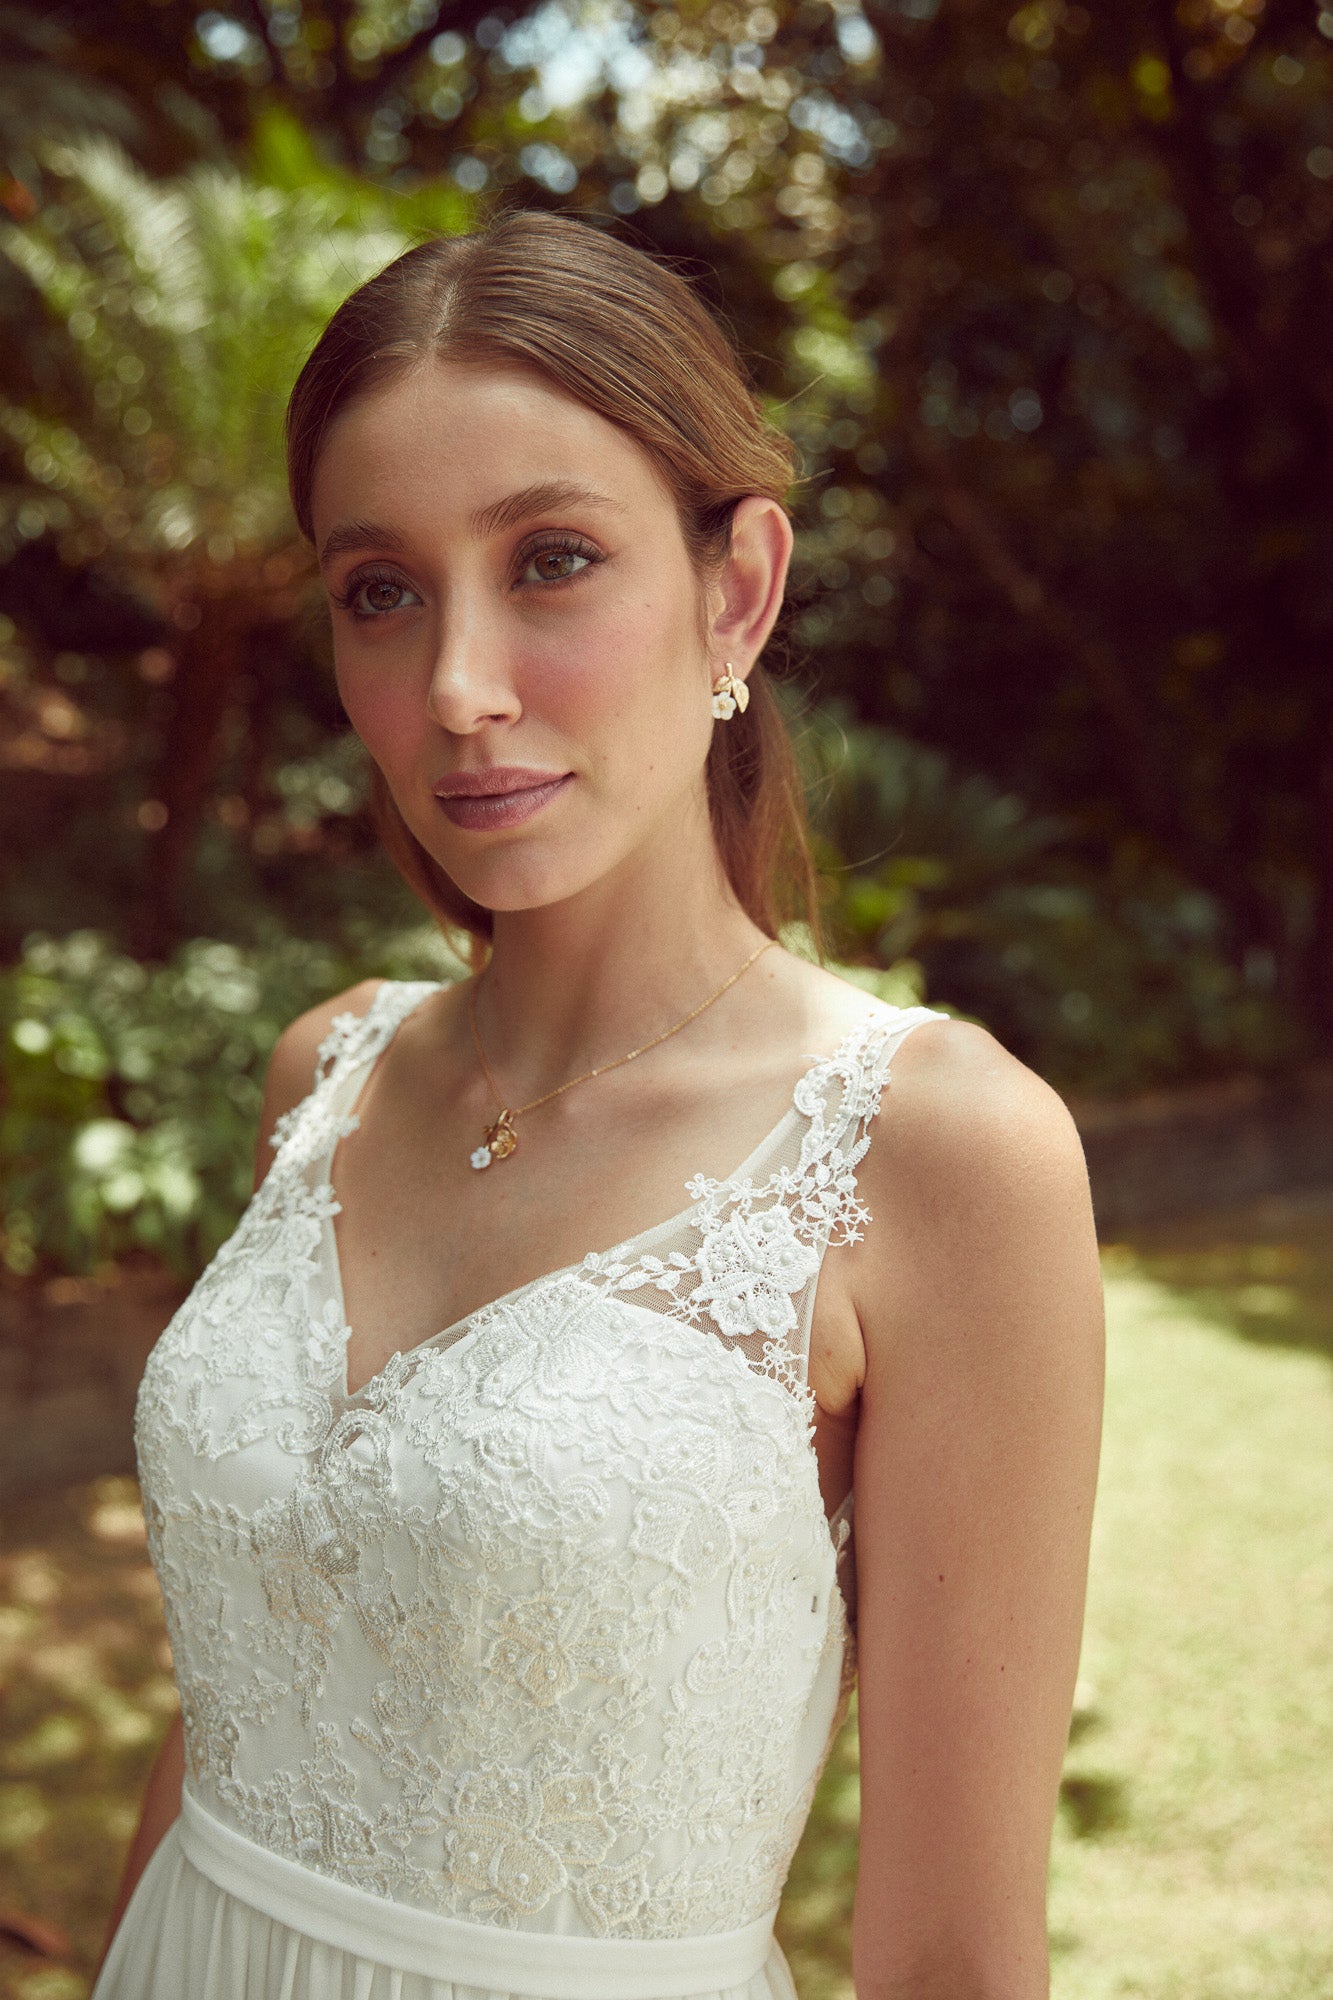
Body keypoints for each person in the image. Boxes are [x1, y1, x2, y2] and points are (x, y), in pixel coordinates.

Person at [92, 211, 1104, 2000]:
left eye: (550, 559)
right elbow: (243, 1702)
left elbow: (951, 1956)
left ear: (737, 592)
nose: (457, 689)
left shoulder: (940, 1152)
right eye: (379, 590)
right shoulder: (321, 1075)